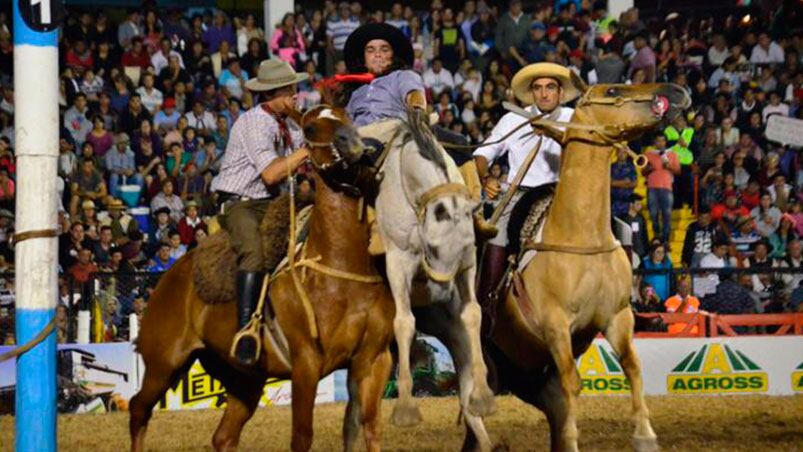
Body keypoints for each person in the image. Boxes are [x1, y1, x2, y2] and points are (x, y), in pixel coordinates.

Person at [210, 59, 309, 365]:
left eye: (295, 89)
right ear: (273, 94)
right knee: (253, 251)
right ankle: (246, 330)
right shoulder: (254, 122)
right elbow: (271, 174)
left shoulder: (291, 124)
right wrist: (310, 149)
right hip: (241, 201)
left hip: (273, 201)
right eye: (290, 90)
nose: (295, 95)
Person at [473, 62, 578, 304]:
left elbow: (585, 151)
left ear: (561, 93)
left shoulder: (574, 118)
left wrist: (553, 132)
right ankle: (488, 303)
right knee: (496, 235)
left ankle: (619, 303)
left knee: (620, 230)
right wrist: (486, 178)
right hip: (519, 195)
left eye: (550, 87)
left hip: (563, 195)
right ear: (531, 93)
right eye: (538, 88)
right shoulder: (512, 120)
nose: (544, 93)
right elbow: (481, 155)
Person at [643, 134, 680, 243]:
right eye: (658, 141)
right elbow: (643, 172)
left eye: (662, 141)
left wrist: (669, 167)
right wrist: (648, 169)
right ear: (655, 142)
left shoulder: (672, 154)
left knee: (667, 216)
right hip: (652, 188)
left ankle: (665, 241)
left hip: (667, 188)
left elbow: (678, 171)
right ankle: (657, 238)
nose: (660, 143)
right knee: (653, 215)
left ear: (665, 142)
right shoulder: (648, 154)